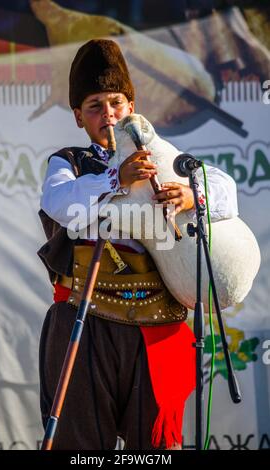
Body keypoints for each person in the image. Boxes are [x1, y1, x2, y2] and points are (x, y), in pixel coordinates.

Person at [37, 39, 238, 450]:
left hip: (158, 321)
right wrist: (116, 180)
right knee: (82, 444)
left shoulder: (160, 156)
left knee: (158, 444)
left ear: (132, 104)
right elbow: (58, 204)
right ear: (78, 116)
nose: (108, 115)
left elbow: (225, 189)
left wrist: (189, 194)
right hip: (86, 316)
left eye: (116, 102)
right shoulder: (70, 163)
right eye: (94, 105)